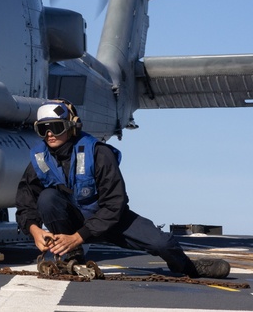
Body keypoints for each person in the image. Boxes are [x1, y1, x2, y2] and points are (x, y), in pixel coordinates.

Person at [15, 100, 230, 279]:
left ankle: (188, 267)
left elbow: (115, 203)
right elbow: (26, 199)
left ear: (72, 126)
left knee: (163, 243)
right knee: (47, 197)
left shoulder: (98, 154)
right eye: (43, 129)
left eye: (56, 127)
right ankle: (73, 257)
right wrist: (34, 230)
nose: (50, 134)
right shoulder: (40, 159)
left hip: (110, 219)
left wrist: (80, 236)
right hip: (73, 222)